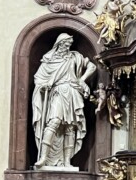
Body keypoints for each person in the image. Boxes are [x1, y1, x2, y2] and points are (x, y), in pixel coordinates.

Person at [32, 33, 96, 168]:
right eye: (66, 44)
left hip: (73, 93)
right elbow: (38, 78)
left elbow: (92, 67)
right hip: (58, 93)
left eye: (69, 45)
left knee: (70, 127)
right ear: (59, 44)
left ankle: (67, 161)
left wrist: (82, 79)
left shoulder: (75, 56)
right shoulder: (49, 60)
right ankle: (43, 157)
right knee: (53, 122)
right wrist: (43, 85)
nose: (67, 47)